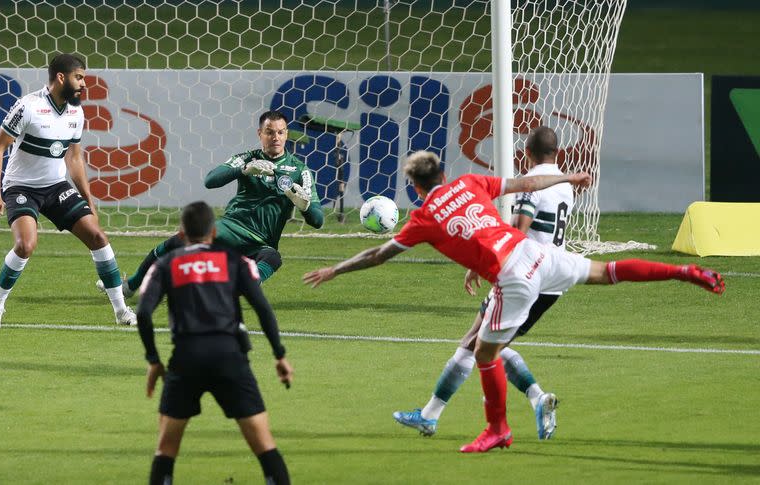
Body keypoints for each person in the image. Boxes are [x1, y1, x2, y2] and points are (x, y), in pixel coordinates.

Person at [303, 149, 724, 453]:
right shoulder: (469, 183)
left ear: (414, 187)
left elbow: (377, 255)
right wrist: (568, 178)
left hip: (513, 277)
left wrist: (335, 270)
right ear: (443, 173)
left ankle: (498, 428)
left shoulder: (424, 218)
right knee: (605, 271)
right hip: (535, 253)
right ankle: (685, 273)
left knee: (484, 351)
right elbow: (528, 183)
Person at [393, 126, 572, 440]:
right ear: (556, 152)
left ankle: (431, 416)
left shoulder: (533, 185)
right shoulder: (564, 185)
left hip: (523, 274)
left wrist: (491, 256)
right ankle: (532, 399)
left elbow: (519, 227)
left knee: (475, 345)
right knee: (487, 345)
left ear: (526, 153)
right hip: (552, 282)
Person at [137, 201, 293, 485]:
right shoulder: (235, 261)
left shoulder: (166, 264)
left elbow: (144, 313)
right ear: (213, 232)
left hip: (186, 360)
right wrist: (279, 355)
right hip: (230, 357)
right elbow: (262, 308)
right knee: (264, 445)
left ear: (181, 233)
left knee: (166, 449)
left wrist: (153, 360)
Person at [98, 110, 323, 298]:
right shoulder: (246, 158)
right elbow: (210, 181)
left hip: (261, 242)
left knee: (273, 258)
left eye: (281, 132)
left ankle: (243, 284)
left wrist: (304, 206)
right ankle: (131, 285)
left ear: (286, 135)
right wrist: (244, 169)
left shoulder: (300, 171)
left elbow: (318, 221)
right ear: (260, 134)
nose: (276, 137)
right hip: (231, 228)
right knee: (179, 240)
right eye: (269, 132)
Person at [0, 53, 136, 329]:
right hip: (21, 187)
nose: (83, 84)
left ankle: (121, 311)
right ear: (61, 78)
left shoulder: (76, 112)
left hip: (56, 187)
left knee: (98, 237)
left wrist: (89, 201)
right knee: (25, 245)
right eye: (79, 78)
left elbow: (74, 159)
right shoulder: (28, 106)